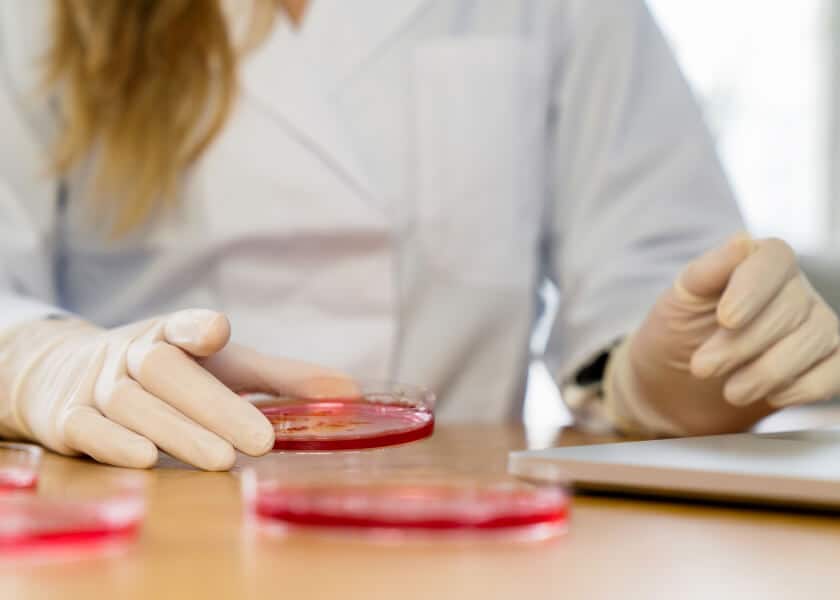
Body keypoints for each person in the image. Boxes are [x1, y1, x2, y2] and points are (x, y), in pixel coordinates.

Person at [0, 0, 837, 471]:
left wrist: (702, 362)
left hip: (460, 514)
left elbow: (649, 286)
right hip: (149, 502)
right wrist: (36, 364)